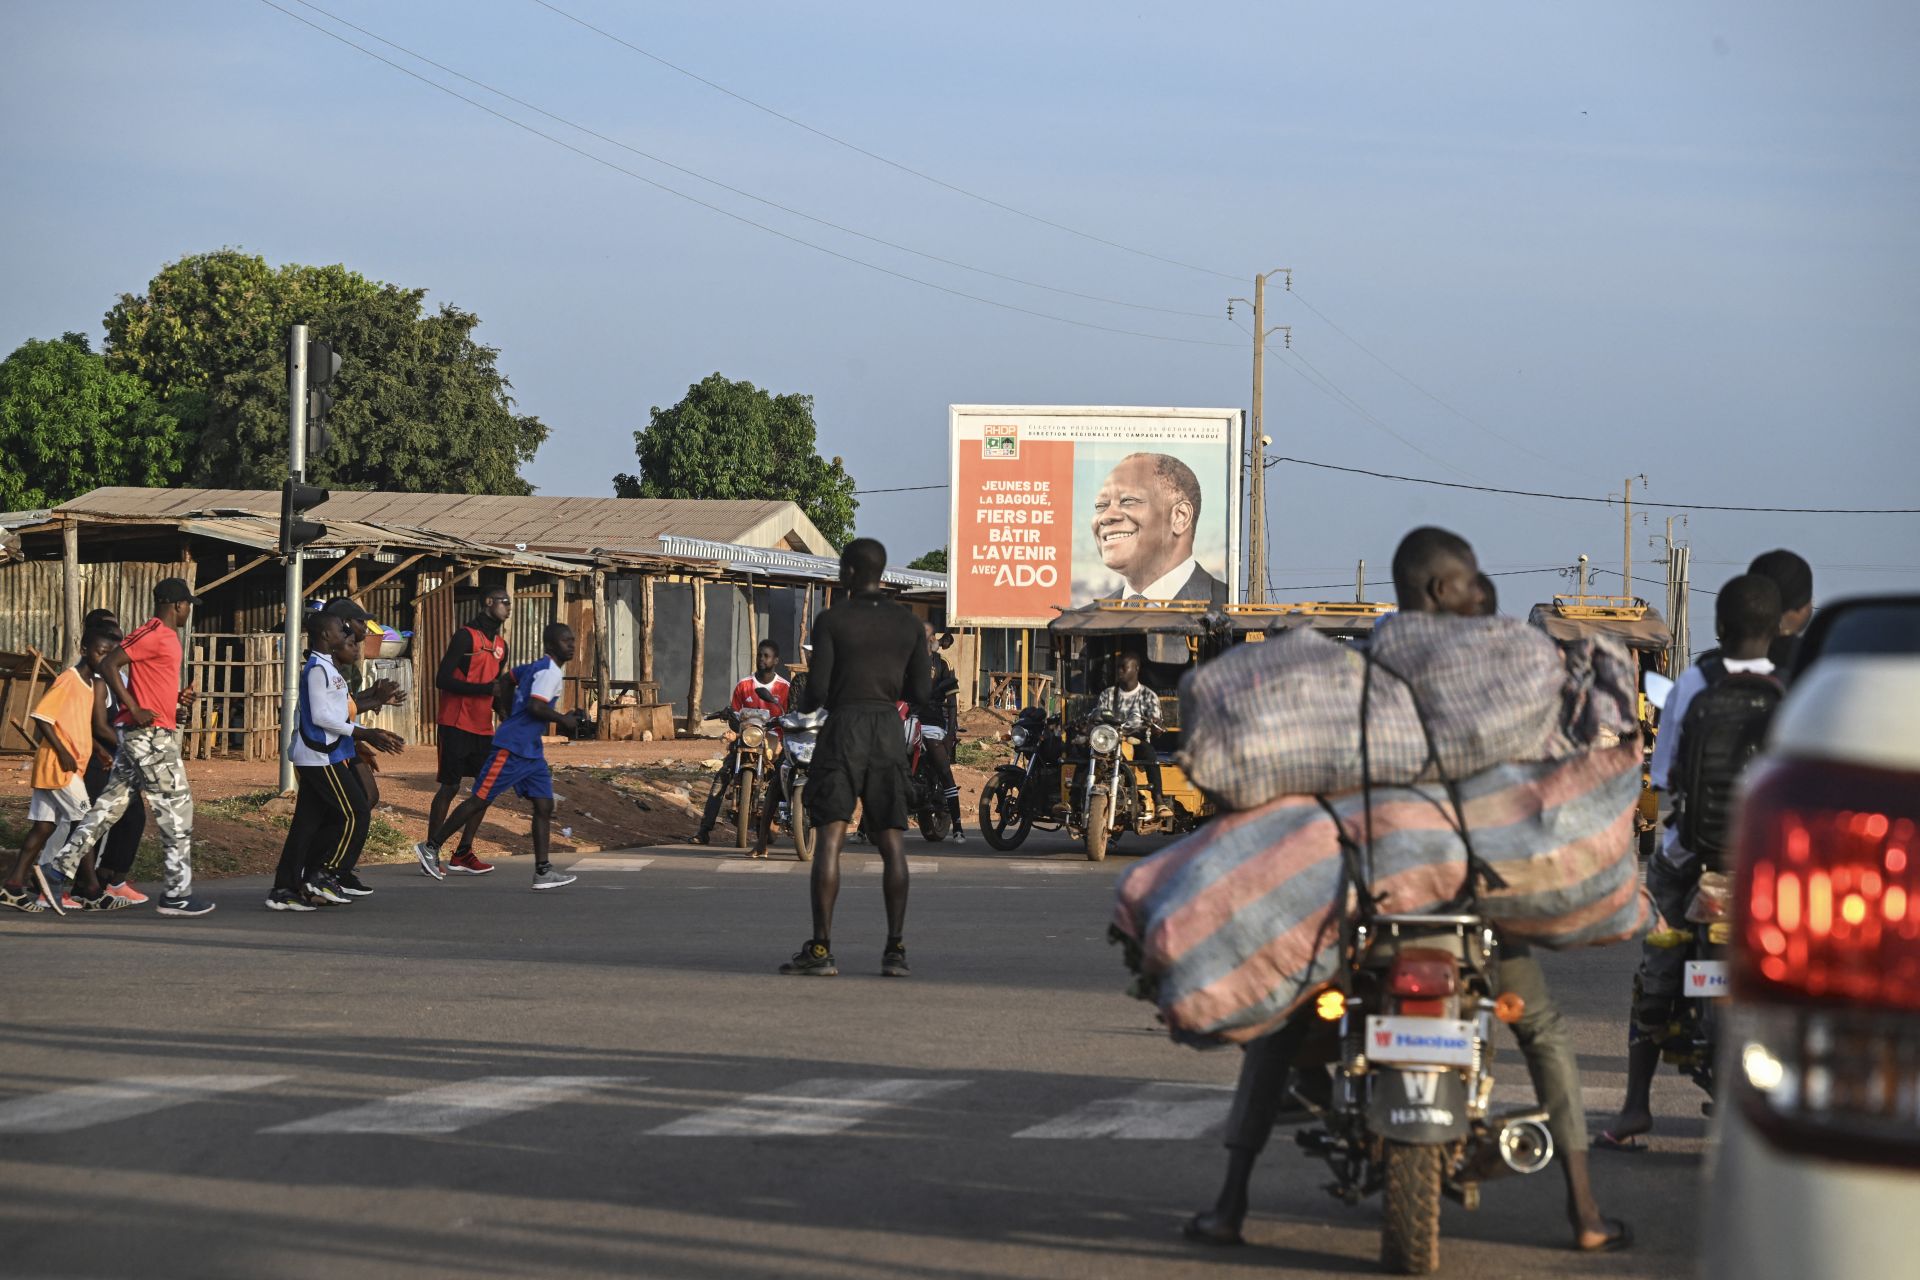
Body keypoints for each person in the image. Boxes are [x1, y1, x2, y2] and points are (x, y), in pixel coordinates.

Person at [1185, 526, 1629, 1254]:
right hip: (1473, 903)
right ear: (1436, 592)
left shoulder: (1362, 673)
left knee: (1280, 1029)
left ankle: (1230, 1204)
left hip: (1373, 902)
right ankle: (1585, 1213)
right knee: (1542, 1029)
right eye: (1469, 579)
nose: (1482, 590)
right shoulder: (1504, 671)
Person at [1597, 573, 1783, 1150]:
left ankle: (1634, 1107)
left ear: (1720, 627)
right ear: (1777, 631)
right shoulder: (1794, 689)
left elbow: (1663, 774)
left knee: (1656, 958)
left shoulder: (1693, 684)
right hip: (1763, 862)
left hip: (1691, 852)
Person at [780, 538, 932, 979]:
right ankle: (895, 950)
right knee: (891, 842)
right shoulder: (906, 624)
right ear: (881, 573)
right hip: (886, 730)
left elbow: (818, 693)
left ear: (847, 573)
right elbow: (921, 693)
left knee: (830, 839)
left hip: (843, 728)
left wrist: (807, 704)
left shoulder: (832, 620)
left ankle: (822, 949)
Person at [49, 578, 213, 917]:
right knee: (177, 810)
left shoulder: (156, 635)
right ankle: (176, 895)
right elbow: (109, 666)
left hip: (147, 732)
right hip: (150, 737)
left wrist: (175, 701)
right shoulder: (156, 633)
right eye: (187, 606)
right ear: (177, 605)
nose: (187, 612)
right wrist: (134, 708)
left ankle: (58, 866)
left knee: (108, 807)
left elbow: (148, 683)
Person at [414, 623, 582, 890]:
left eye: (572, 640)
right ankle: (431, 846)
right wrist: (563, 719)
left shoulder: (534, 667)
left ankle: (543, 870)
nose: (571, 645)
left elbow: (506, 680)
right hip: (512, 747)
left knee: (544, 805)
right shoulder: (548, 671)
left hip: (531, 751)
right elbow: (535, 705)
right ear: (550, 646)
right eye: (565, 641)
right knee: (480, 799)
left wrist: (505, 708)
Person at [270, 613, 404, 911]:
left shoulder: (329, 669)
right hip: (319, 757)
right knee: (355, 812)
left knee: (308, 824)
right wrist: (366, 732)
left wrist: (374, 709)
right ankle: (324, 872)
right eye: (340, 630)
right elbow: (321, 717)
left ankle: (285, 888)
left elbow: (340, 712)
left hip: (329, 754)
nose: (347, 635)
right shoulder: (317, 669)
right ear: (325, 636)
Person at [2, 627, 132, 914]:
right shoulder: (69, 679)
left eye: (109, 654)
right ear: (84, 650)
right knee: (86, 823)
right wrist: (62, 751)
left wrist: (98, 750)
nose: (103, 658)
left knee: (44, 826)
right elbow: (42, 717)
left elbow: (77, 726)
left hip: (65, 766)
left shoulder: (91, 684)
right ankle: (91, 890)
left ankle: (12, 885)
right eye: (99, 652)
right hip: (60, 767)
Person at [427, 586, 512, 875]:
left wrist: (506, 715)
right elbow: (442, 679)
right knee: (449, 787)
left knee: (485, 790)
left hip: (482, 727)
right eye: (504, 602)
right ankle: (431, 851)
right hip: (454, 722)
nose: (508, 607)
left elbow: (497, 689)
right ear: (488, 603)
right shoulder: (465, 636)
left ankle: (463, 852)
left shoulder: (502, 645)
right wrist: (485, 690)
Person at [71, 609, 150, 905]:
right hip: (95, 758)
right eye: (105, 640)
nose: (111, 647)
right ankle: (90, 884)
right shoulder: (85, 678)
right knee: (96, 821)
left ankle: (105, 879)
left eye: (116, 639)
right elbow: (93, 724)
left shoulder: (116, 676)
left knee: (128, 818)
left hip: (116, 757)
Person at [1090, 453, 1227, 604]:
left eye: (1128, 500)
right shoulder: (1079, 622)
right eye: (1100, 506)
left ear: (1180, 516)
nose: (1105, 517)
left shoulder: (1233, 610)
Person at [694, 639, 792, 851]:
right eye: (759, 655)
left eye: (766, 655)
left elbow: (790, 715)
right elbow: (736, 714)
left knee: (785, 775)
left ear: (776, 660)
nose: (761, 659)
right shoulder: (743, 685)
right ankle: (704, 830)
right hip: (746, 738)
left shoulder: (784, 688)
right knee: (722, 775)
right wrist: (731, 719)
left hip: (772, 738)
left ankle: (792, 817)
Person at [1085, 651, 1172, 822]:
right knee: (1086, 753)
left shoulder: (1148, 696)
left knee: (1150, 755)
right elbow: (1097, 715)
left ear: (1136, 669)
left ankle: (1159, 800)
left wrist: (1157, 727)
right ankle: (1072, 800)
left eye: (1124, 668)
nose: (1119, 672)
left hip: (1135, 740)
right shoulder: (1108, 694)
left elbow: (1156, 723)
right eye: (1118, 668)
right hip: (1109, 740)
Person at [923, 622, 965, 843]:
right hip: (908, 721)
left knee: (942, 769)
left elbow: (952, 702)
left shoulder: (943, 664)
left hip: (933, 723)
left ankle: (957, 826)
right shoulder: (905, 662)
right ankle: (865, 828)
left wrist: (950, 733)